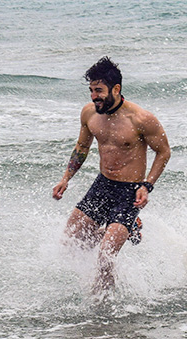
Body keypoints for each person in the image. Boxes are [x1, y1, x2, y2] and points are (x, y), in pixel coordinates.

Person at [52, 57, 171, 292]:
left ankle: (104, 309)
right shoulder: (89, 114)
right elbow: (82, 148)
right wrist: (65, 178)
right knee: (71, 242)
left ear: (116, 89)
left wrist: (147, 186)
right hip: (102, 185)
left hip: (130, 192)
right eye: (91, 91)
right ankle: (125, 229)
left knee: (106, 257)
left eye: (99, 90)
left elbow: (164, 152)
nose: (94, 96)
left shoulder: (141, 119)